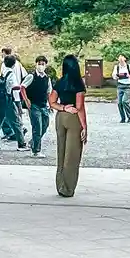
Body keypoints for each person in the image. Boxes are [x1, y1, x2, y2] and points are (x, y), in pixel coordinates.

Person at [51, 54, 87, 197]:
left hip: (60, 117)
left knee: (61, 151)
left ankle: (59, 184)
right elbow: (80, 107)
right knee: (72, 155)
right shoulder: (78, 83)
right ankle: (68, 187)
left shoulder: (60, 82)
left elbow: (52, 101)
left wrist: (63, 107)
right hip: (73, 118)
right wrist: (84, 126)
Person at [0, 54, 28, 151]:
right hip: (8, 100)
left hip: (0, 100)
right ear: (14, 64)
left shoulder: (3, 71)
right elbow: (15, 88)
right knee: (16, 122)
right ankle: (22, 144)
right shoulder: (11, 74)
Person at [26, 55, 52, 156]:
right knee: (37, 127)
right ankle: (36, 151)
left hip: (43, 105)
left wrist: (50, 104)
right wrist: (26, 99)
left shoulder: (47, 78)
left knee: (45, 124)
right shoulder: (31, 76)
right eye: (39, 64)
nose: (41, 66)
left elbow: (49, 92)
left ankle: (33, 142)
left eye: (43, 64)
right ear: (36, 64)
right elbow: (22, 87)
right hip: (34, 105)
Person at [112, 54, 130, 123]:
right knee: (119, 103)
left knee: (124, 101)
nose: (120, 58)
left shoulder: (128, 66)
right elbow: (113, 76)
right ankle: (123, 118)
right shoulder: (117, 67)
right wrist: (117, 76)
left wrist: (128, 75)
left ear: (125, 58)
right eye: (119, 57)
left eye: (122, 57)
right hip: (120, 86)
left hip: (128, 85)